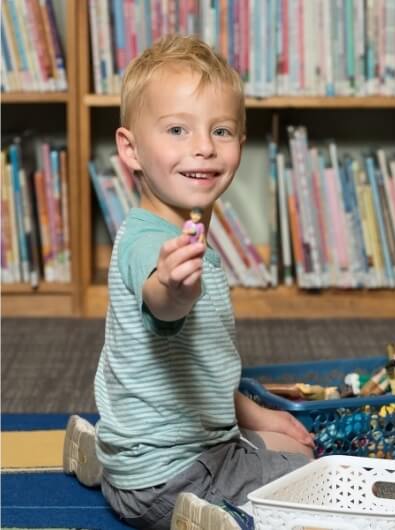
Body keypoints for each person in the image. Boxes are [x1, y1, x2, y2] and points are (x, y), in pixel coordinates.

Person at [63, 35, 313, 530]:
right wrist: (173, 292)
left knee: (281, 436)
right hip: (171, 479)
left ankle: (105, 458)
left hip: (141, 458)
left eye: (220, 130)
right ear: (130, 150)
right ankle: (206, 517)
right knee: (306, 466)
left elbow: (199, 367)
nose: (202, 147)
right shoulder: (150, 247)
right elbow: (162, 301)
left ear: (241, 144)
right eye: (177, 129)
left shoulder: (170, 226)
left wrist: (256, 415)